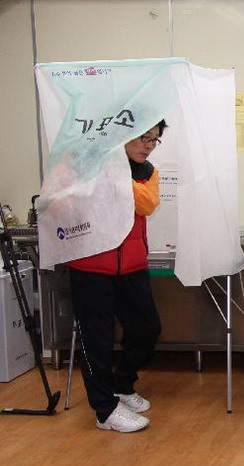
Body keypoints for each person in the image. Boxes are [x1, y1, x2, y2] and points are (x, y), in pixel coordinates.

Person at [68, 121, 165, 433]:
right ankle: (105, 410)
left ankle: (121, 385)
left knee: (147, 328)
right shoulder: (86, 166)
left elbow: (147, 204)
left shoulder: (147, 171)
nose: (149, 146)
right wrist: (105, 171)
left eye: (154, 140)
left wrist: (115, 177)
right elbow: (64, 198)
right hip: (90, 266)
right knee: (98, 340)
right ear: (123, 137)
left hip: (132, 266)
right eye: (143, 138)